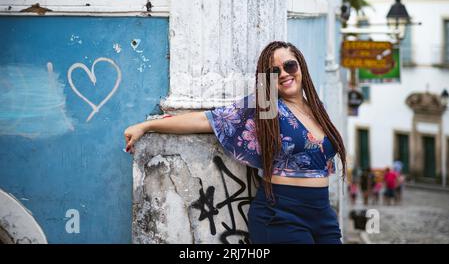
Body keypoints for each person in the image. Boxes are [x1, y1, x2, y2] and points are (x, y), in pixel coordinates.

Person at [124, 41, 347, 244]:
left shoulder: (317, 107)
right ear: (267, 79)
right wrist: (148, 126)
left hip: (322, 213)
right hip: (281, 214)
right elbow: (209, 120)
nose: (284, 74)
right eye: (274, 71)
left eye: (290, 66)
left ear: (301, 67)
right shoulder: (269, 106)